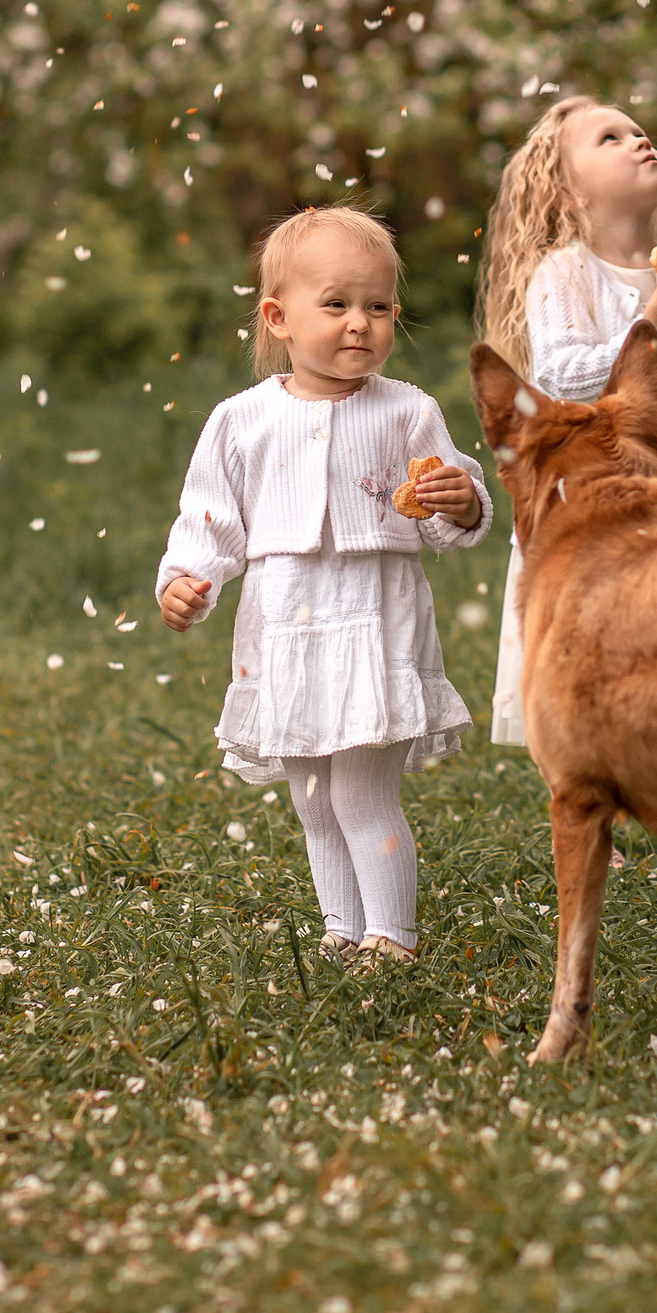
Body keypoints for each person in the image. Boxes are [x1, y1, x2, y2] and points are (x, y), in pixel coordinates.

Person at [157, 204, 492, 961]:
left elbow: (449, 511)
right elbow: (209, 518)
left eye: (378, 307)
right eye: (336, 304)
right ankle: (342, 929)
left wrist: (461, 501)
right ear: (279, 317)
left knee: (362, 793)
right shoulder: (241, 420)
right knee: (313, 798)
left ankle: (392, 936)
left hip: (376, 623)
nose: (359, 324)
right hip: (285, 626)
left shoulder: (408, 410)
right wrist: (185, 578)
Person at [476, 94, 657, 748]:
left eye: (639, 130)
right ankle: (595, 769)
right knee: (597, 623)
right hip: (591, 488)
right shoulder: (565, 274)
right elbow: (560, 379)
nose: (640, 140)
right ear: (568, 192)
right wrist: (650, 331)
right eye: (610, 138)